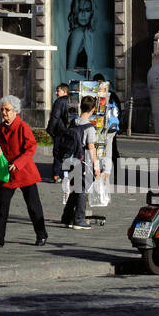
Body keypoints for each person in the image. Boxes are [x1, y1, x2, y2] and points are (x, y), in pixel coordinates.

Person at [0, 96, 48, 247]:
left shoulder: (22, 127)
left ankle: (41, 234)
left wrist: (18, 163)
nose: (4, 113)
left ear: (15, 111)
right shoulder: (0, 128)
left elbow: (31, 147)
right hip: (8, 173)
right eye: (2, 110)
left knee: (33, 205)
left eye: (7, 110)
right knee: (1, 205)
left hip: (24, 171)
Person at [60, 95, 101, 229]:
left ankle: (66, 218)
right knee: (82, 190)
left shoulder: (73, 122)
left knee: (76, 188)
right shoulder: (89, 128)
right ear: (93, 110)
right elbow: (91, 147)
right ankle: (79, 219)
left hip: (69, 159)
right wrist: (96, 165)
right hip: (81, 160)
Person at [46, 83, 73, 182]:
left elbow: (55, 117)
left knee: (57, 153)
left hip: (60, 131)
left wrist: (50, 129)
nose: (56, 93)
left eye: (58, 91)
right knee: (68, 152)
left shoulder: (59, 101)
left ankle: (56, 175)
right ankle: (68, 174)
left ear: (64, 91)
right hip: (70, 131)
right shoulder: (71, 100)